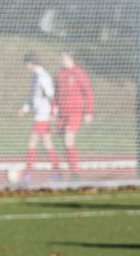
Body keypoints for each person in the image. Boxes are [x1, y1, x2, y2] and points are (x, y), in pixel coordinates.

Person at [17, 52, 57, 184]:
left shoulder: (43, 77)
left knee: (32, 142)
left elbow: (51, 96)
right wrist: (25, 108)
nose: (25, 66)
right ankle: (56, 172)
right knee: (47, 143)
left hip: (43, 115)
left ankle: (28, 173)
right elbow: (33, 97)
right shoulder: (35, 77)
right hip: (39, 114)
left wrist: (53, 112)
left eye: (26, 64)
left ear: (31, 63)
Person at [54, 51, 94, 180]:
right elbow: (56, 93)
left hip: (74, 113)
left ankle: (74, 173)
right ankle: (70, 170)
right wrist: (53, 109)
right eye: (61, 58)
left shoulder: (79, 73)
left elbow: (88, 93)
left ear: (71, 58)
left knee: (68, 139)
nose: (62, 60)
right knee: (65, 143)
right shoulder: (60, 73)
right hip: (62, 113)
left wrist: (88, 112)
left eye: (64, 58)